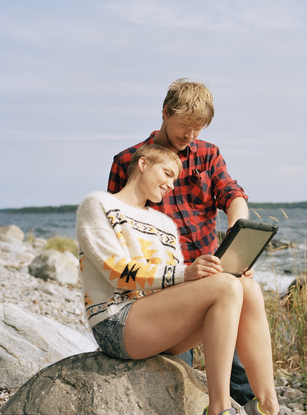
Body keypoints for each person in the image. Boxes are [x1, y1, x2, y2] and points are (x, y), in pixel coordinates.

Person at [77, 144, 283, 415]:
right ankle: (219, 409)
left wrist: (220, 270)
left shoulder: (165, 224)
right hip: (117, 323)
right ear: (143, 165)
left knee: (247, 287)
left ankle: (268, 406)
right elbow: (118, 272)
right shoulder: (99, 205)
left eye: (175, 179)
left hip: (159, 324)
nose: (171, 185)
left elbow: (172, 285)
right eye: (167, 174)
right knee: (227, 286)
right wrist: (188, 272)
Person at [107, 78, 253, 404]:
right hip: (166, 285)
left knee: (238, 365)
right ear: (164, 112)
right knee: (177, 372)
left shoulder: (208, 154)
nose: (190, 136)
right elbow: (121, 237)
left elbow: (233, 195)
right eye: (184, 126)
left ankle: (251, 408)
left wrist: (236, 233)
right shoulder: (129, 161)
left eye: (198, 129)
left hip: (212, 272)